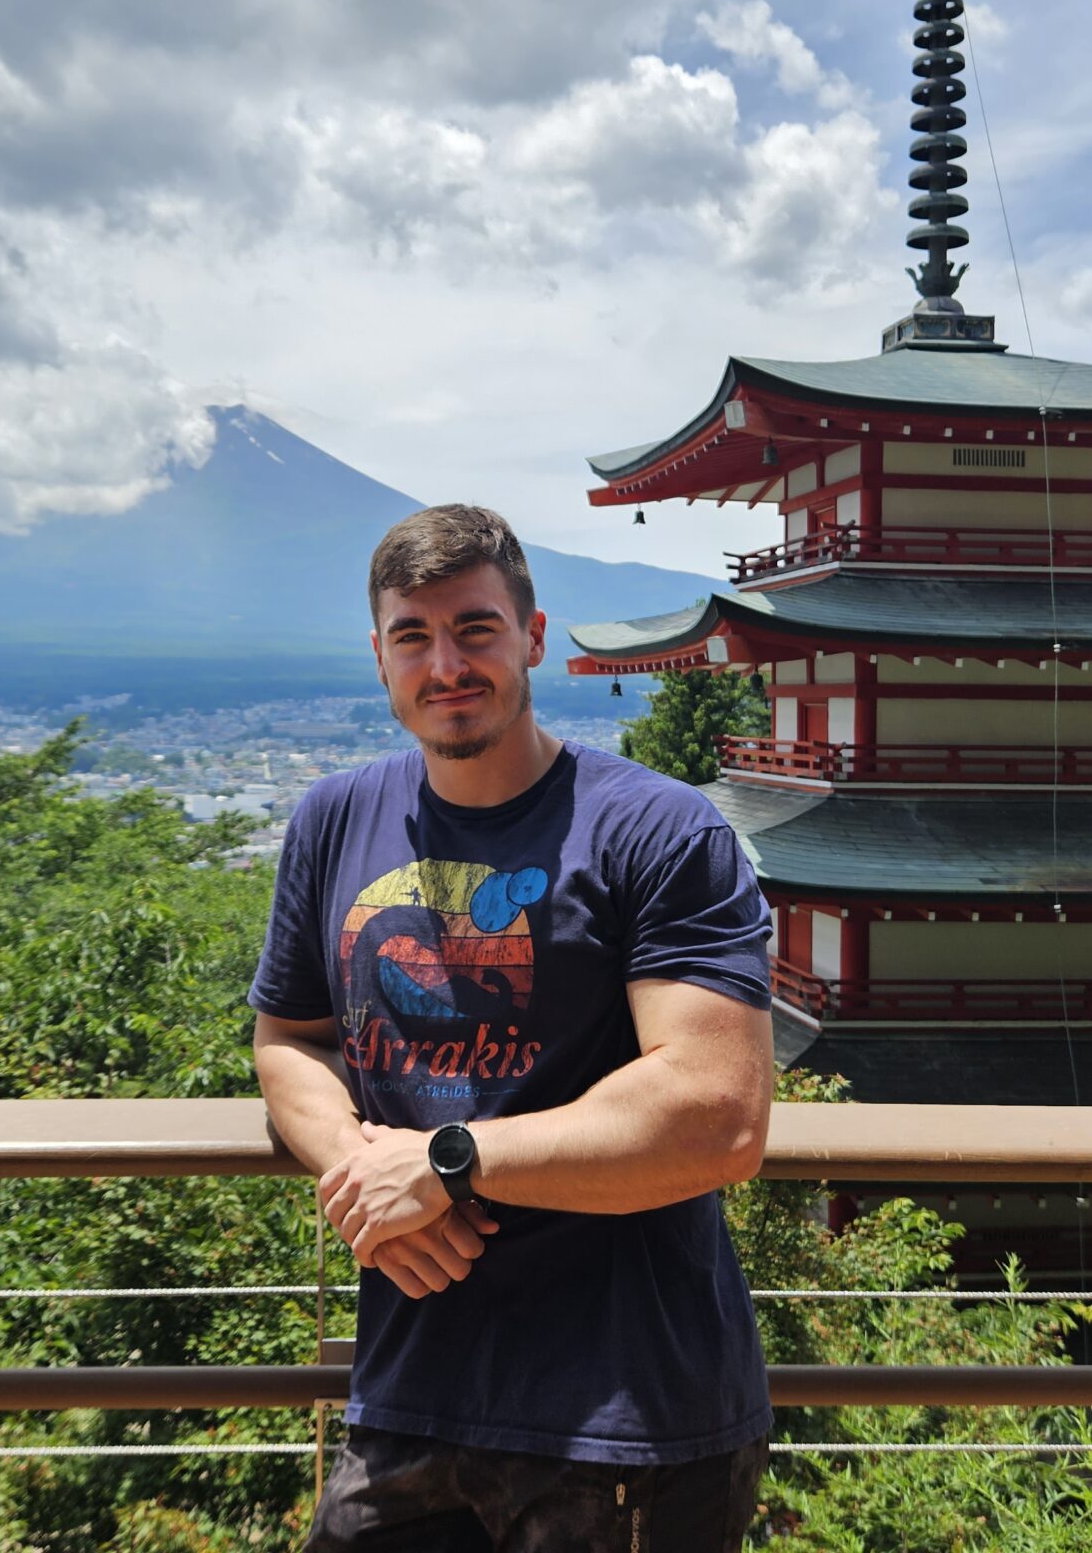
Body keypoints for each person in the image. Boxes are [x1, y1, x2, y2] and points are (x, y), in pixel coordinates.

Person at [250, 502, 776, 1552]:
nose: (445, 664)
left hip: (627, 1418)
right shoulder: (332, 818)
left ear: (531, 638)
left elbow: (718, 1115)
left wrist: (444, 1164)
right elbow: (290, 1040)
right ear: (380, 657)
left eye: (474, 630)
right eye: (413, 637)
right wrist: (361, 1174)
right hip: (408, 1392)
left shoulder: (652, 829)